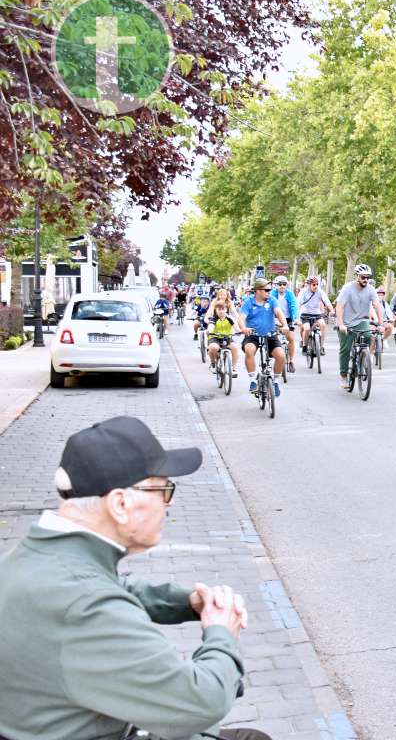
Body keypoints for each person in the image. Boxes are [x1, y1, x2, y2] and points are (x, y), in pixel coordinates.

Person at [0, 416, 270, 740]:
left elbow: (114, 586)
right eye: (163, 490)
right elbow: (199, 703)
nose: (167, 506)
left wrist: (187, 602)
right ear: (120, 503)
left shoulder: (39, 556)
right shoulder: (88, 607)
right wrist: (221, 632)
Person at [335, 264, 385, 390]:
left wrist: (381, 324)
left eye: (368, 278)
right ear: (357, 277)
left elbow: (377, 306)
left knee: (369, 336)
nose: (366, 280)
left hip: (362, 320)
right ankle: (343, 376)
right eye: (363, 277)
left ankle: (363, 358)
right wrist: (341, 324)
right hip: (346, 323)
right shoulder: (347, 288)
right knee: (345, 349)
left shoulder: (371, 289)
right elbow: (339, 306)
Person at [237, 278, 287, 399]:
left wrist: (285, 325)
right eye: (267, 290)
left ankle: (275, 382)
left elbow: (279, 313)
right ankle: (253, 380)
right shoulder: (248, 302)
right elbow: (241, 318)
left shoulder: (272, 300)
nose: (269, 292)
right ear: (258, 290)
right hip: (253, 334)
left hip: (270, 335)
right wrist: (244, 328)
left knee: (281, 356)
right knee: (249, 350)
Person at [298, 276, 333, 355]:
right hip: (305, 314)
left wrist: (332, 310)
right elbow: (298, 303)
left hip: (316, 314)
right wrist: (297, 315)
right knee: (306, 329)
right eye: (314, 284)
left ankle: (321, 346)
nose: (316, 286)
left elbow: (327, 301)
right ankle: (304, 347)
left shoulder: (320, 291)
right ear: (309, 285)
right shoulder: (303, 291)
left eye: (317, 284)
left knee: (323, 325)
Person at [271, 276, 300, 374]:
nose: (282, 286)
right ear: (276, 285)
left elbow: (294, 306)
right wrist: (273, 319)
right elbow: (269, 306)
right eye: (280, 284)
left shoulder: (290, 294)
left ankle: (291, 361)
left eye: (284, 284)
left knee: (291, 338)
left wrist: (295, 318)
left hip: (288, 319)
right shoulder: (272, 294)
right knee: (271, 338)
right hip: (275, 319)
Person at [206, 301, 239, 379]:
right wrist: (209, 331)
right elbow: (211, 326)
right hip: (215, 337)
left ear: (226, 310)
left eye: (223, 309)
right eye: (219, 309)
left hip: (227, 337)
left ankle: (233, 369)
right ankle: (213, 363)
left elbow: (236, 327)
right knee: (213, 347)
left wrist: (240, 331)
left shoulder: (229, 318)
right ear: (216, 310)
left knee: (234, 347)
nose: (221, 311)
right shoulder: (214, 318)